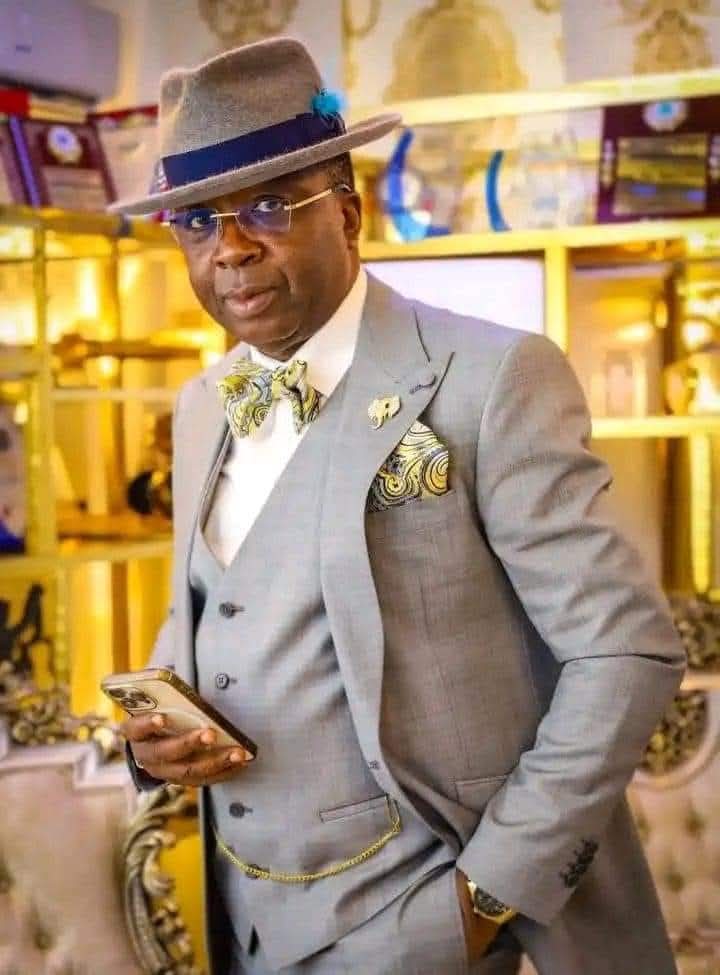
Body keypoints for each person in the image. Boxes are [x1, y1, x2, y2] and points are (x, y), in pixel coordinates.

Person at [112, 37, 686, 975]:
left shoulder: (493, 378)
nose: (232, 247)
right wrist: (155, 739)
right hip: (243, 922)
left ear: (348, 211)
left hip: (432, 922)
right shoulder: (202, 403)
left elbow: (627, 650)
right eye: (198, 220)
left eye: (268, 206)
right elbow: (218, 615)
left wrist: (485, 897)